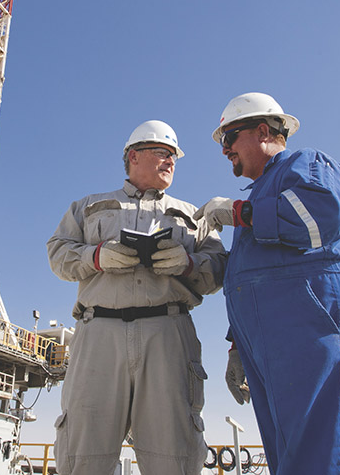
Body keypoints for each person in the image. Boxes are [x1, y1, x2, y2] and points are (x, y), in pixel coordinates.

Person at [193, 93, 340, 475]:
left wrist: (237, 211)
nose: (225, 150)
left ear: (263, 131)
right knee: (291, 453)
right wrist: (236, 347)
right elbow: (253, 274)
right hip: (272, 338)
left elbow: (320, 217)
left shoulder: (306, 163)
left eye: (229, 137)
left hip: (312, 324)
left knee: (327, 450)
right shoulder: (262, 194)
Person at [47, 120, 227, 475]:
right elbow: (57, 254)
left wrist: (189, 263)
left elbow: (219, 267)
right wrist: (95, 257)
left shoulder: (195, 216)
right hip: (98, 332)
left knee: (173, 454)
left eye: (173, 155)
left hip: (168, 333)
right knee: (84, 453)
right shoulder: (88, 207)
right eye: (162, 152)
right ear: (133, 156)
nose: (170, 160)